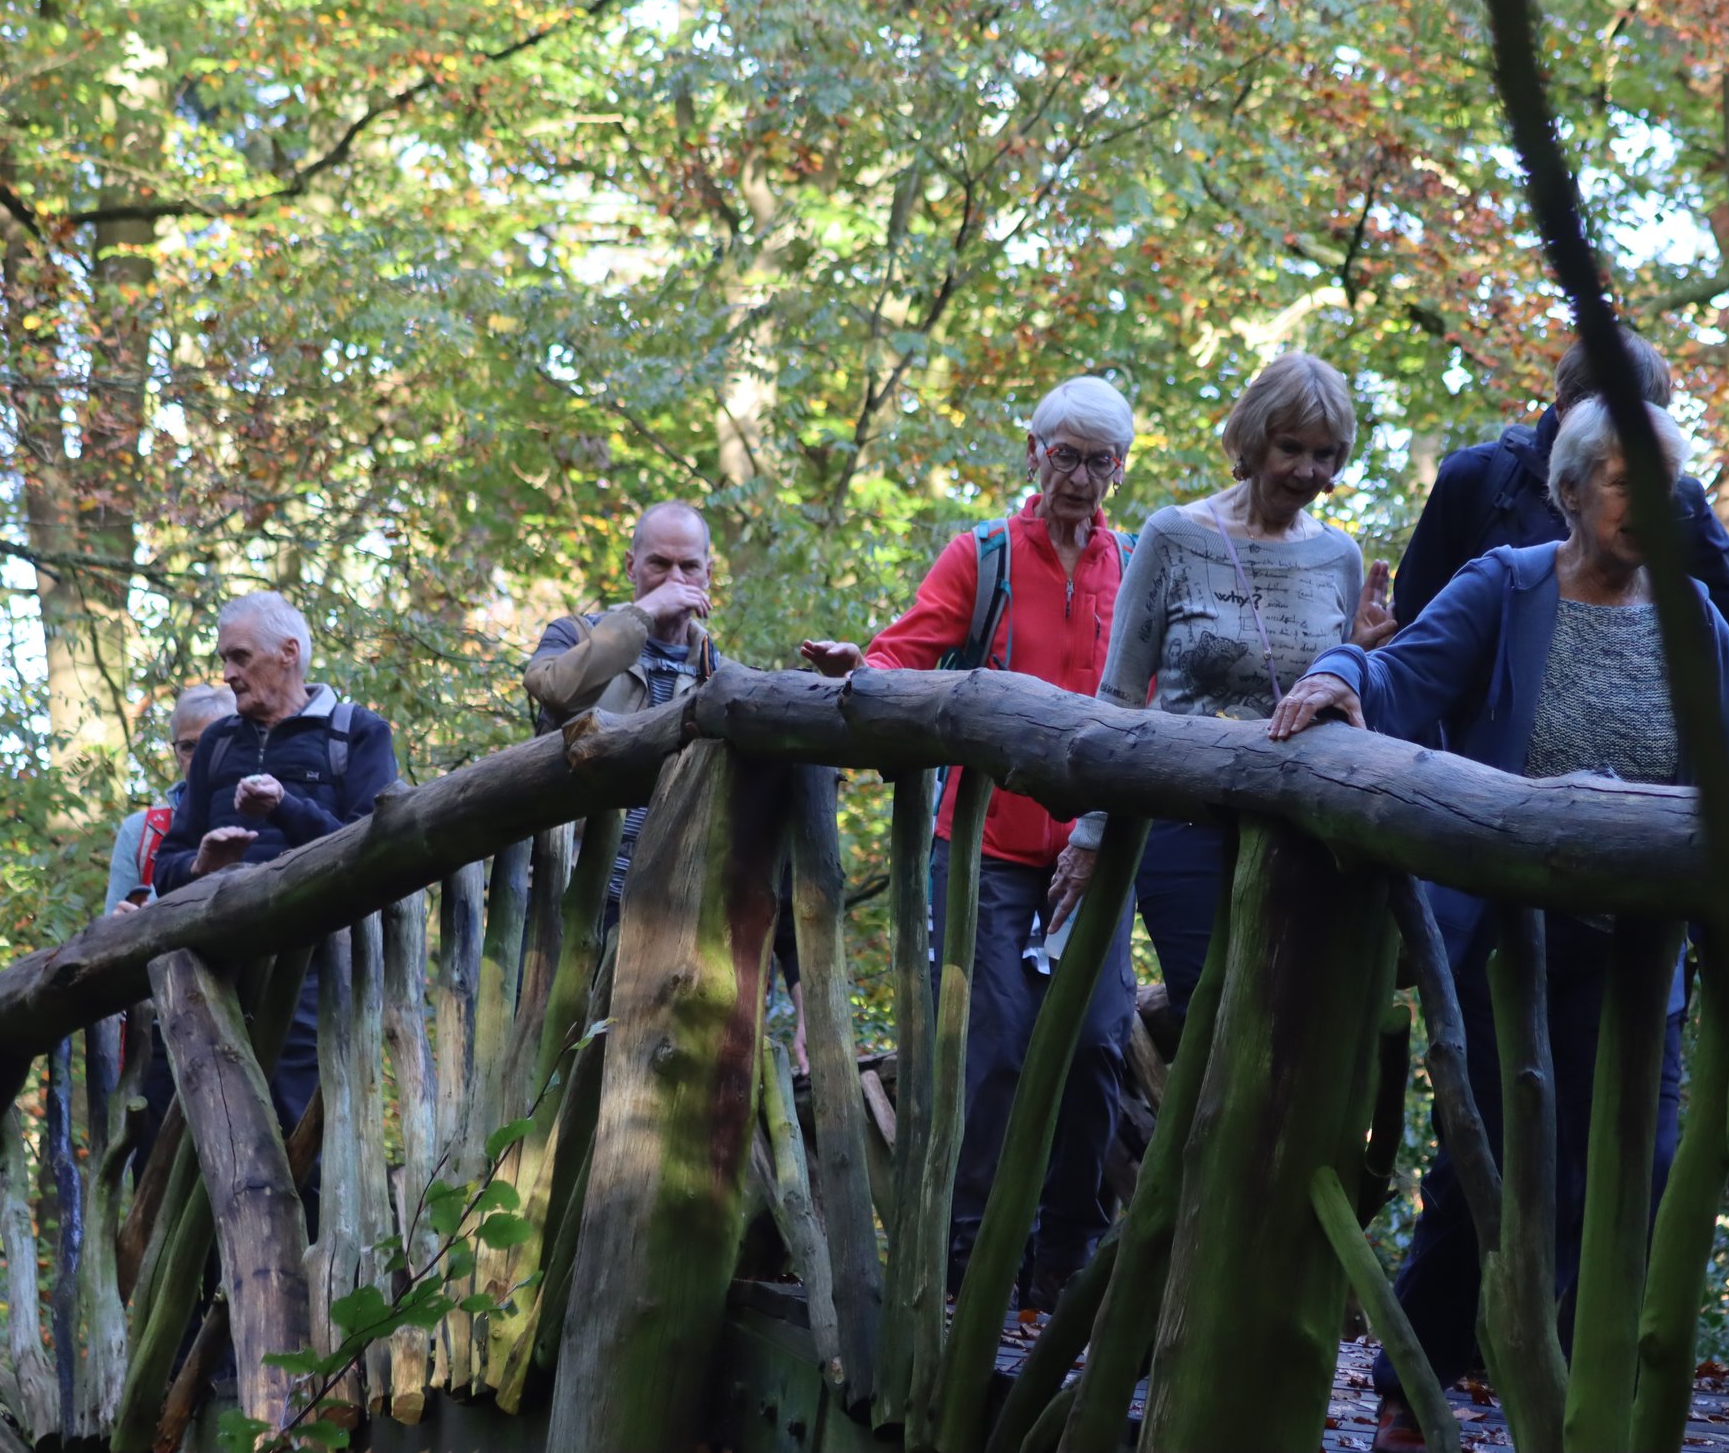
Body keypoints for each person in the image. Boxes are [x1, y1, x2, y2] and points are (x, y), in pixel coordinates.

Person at [1268, 397, 1729, 1453]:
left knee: (1642, 1165)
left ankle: (1573, 1400)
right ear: (1568, 490)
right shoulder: (1508, 583)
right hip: (1506, 938)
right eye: (1623, 479)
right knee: (1489, 1165)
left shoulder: (1694, 616)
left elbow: (1726, 787)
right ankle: (1413, 1384)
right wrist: (1335, 674)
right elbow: (1397, 673)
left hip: (1640, 948)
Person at [800, 376, 1139, 1307]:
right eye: (1063, 454)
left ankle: (1062, 1254)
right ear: (1032, 452)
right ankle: (965, 1264)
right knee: (994, 1045)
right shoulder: (982, 555)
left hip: (1097, 849)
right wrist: (858, 669)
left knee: (1098, 1045)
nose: (1078, 477)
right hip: (983, 845)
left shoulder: (1139, 564)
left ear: (1122, 468)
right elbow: (906, 650)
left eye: (1098, 461)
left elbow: (1160, 693)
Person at [1046, 350, 1395, 1019]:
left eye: (1325, 454)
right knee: (1214, 1012)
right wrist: (1090, 837)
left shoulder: (1339, 555)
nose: (1307, 471)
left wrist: (1361, 655)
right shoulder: (1173, 536)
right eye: (1291, 447)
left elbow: (1334, 700)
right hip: (1187, 823)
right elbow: (1119, 696)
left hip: (1305, 827)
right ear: (1254, 438)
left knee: (1296, 1019)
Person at [1393, 334, 1729, 775]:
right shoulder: (1478, 481)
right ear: (1561, 408)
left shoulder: (1679, 508)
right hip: (1476, 802)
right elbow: (1415, 650)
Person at [150, 591, 399, 1139]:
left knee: (298, 1138)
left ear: (288, 652)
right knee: (177, 1143)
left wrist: (285, 807)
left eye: (240, 657)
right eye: (224, 659)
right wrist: (201, 865)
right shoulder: (215, 744)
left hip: (313, 978)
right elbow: (164, 867)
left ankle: (315, 1231)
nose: (228, 673)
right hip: (208, 977)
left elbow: (374, 854)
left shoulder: (356, 733)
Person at [524, 500, 723, 933]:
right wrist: (643, 615)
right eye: (659, 564)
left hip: (666, 911)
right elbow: (557, 689)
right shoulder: (575, 634)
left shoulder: (718, 673)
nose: (675, 580)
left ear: (709, 572)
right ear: (631, 566)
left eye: (689, 567)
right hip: (565, 895)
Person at [105, 684, 236, 910]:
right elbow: (106, 934)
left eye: (210, 743)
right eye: (188, 746)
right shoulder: (140, 832)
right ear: (175, 752)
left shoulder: (267, 815)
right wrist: (119, 923)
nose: (199, 757)